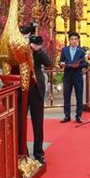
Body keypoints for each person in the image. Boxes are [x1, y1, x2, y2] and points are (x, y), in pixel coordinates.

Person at [28, 35, 53, 164]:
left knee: (37, 122)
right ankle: (22, 152)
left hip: (36, 89)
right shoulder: (20, 49)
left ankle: (38, 152)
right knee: (20, 122)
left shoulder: (38, 53)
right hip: (22, 89)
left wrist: (38, 50)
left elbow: (49, 62)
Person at [58, 32, 87, 123]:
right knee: (66, 96)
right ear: (69, 40)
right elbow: (61, 61)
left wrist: (79, 65)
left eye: (75, 39)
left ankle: (78, 115)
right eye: (72, 39)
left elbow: (84, 63)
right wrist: (61, 64)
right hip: (67, 75)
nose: (73, 41)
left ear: (78, 40)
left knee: (79, 96)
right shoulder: (64, 50)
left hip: (77, 75)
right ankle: (67, 115)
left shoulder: (81, 51)